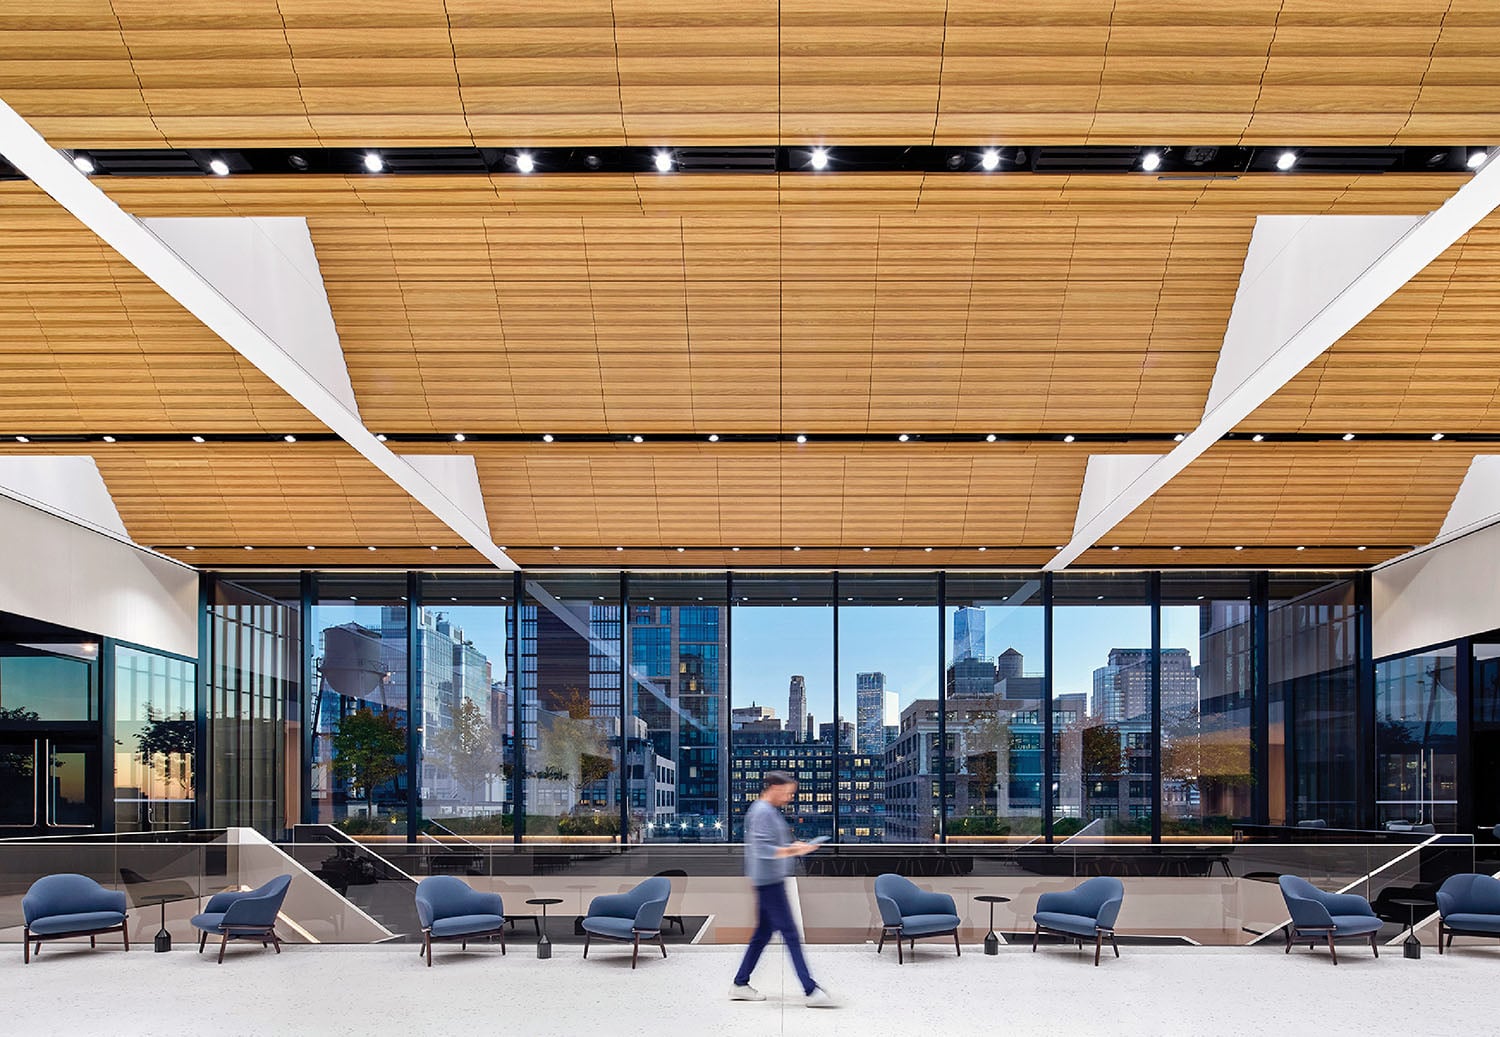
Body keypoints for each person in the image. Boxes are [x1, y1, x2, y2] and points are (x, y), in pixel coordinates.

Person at [730, 771, 837, 1008]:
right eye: (788, 792)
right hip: (769, 883)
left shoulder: (767, 811)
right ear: (775, 787)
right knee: (790, 934)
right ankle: (811, 990)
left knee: (762, 935)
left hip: (769, 880)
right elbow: (763, 850)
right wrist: (796, 851)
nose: (789, 797)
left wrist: (792, 846)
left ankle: (740, 983)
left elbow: (772, 845)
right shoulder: (761, 812)